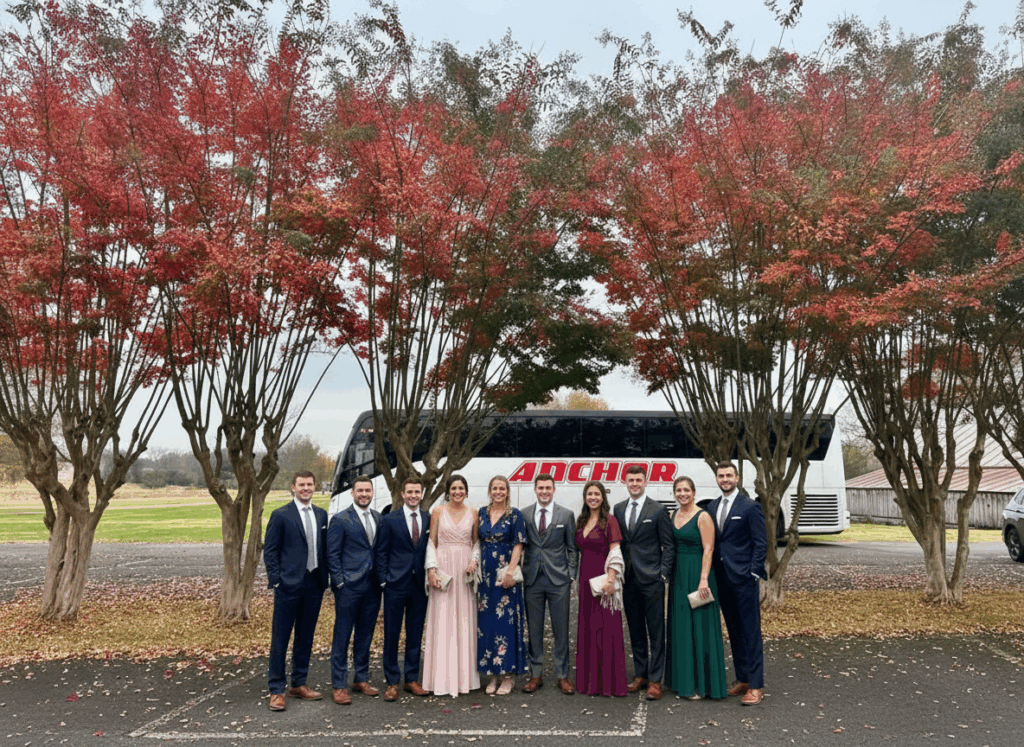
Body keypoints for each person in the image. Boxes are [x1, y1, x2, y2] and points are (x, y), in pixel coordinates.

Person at [263, 470, 328, 711]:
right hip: (288, 585)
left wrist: (325, 580)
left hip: (314, 584)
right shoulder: (281, 515)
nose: (306, 488)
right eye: (301, 485)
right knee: (281, 638)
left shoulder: (321, 515)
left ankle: (298, 683)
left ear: (314, 486)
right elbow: (270, 551)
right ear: (293, 487)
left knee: (305, 636)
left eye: (310, 484)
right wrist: (277, 581)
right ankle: (276, 689)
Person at [707, 461, 768, 706]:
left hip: (743, 579)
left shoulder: (750, 506)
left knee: (750, 632)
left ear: (737, 477)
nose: (725, 479)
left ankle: (755, 685)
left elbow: (761, 543)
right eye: (721, 476)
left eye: (729, 475)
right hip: (721, 579)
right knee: (733, 631)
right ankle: (742, 678)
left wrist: (753, 573)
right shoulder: (712, 506)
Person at [612, 464, 674, 700]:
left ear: (645, 482)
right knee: (636, 629)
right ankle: (641, 674)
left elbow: (668, 545)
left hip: (652, 580)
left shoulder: (658, 510)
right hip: (628, 580)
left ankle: (656, 681)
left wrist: (663, 574)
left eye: (638, 480)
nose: (635, 484)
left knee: (656, 631)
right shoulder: (618, 509)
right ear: (625, 482)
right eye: (631, 480)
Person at [665, 476, 727, 700]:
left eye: (686, 490)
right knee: (681, 626)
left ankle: (702, 684)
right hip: (678, 576)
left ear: (693, 492)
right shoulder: (673, 515)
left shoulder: (703, 516)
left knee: (699, 627)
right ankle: (683, 682)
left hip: (699, 573)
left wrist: (703, 580)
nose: (682, 494)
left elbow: (709, 549)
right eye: (679, 490)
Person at [422, 474, 481, 696]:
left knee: (464, 620)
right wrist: (432, 569)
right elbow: (431, 542)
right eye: (454, 488)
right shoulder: (437, 512)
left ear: (466, 491)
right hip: (444, 569)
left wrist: (474, 561)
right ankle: (440, 679)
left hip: (464, 569)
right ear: (448, 491)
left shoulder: (474, 512)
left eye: (461, 488)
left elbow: (476, 543)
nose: (458, 492)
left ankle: (465, 679)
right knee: (443, 619)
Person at [326, 475, 383, 705]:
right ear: (352, 493)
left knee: (365, 635)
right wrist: (339, 582)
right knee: (342, 635)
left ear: (372, 492)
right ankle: (339, 685)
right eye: (360, 490)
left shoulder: (379, 518)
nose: (364, 494)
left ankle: (361, 678)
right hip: (348, 586)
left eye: (368, 491)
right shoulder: (340, 519)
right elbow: (332, 554)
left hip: (372, 587)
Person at [375, 477, 431, 701]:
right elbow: (381, 552)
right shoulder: (389, 520)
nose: (413, 495)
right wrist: (384, 581)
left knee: (415, 634)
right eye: (409, 492)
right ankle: (391, 681)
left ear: (421, 493)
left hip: (420, 586)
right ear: (402, 493)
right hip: (395, 585)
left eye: (417, 492)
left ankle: (411, 679)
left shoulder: (428, 519)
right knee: (392, 633)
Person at [521, 473, 578, 695]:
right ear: (535, 490)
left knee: (560, 629)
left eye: (548, 488)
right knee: (534, 629)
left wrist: (571, 574)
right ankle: (535, 675)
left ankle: (563, 676)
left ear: (554, 489)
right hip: (532, 578)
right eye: (540, 488)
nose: (544, 491)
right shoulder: (524, 514)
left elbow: (572, 548)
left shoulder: (566, 514)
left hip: (558, 580)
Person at [574, 480, 628, 697]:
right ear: (585, 497)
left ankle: (608, 683)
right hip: (585, 580)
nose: (593, 497)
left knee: (606, 628)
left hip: (604, 580)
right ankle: (590, 682)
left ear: (603, 497)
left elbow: (616, 551)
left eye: (597, 494)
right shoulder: (582, 520)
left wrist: (611, 580)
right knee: (588, 627)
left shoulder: (610, 520)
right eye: (589, 494)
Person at [476, 475, 528, 695]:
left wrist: (509, 572)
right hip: (485, 578)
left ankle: (507, 676)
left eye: (502, 489)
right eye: (495, 488)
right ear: (490, 490)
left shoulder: (514, 515)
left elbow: (518, 544)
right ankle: (492, 675)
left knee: (505, 625)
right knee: (487, 624)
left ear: (507, 492)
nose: (498, 492)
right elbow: (476, 541)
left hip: (504, 575)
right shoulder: (481, 513)